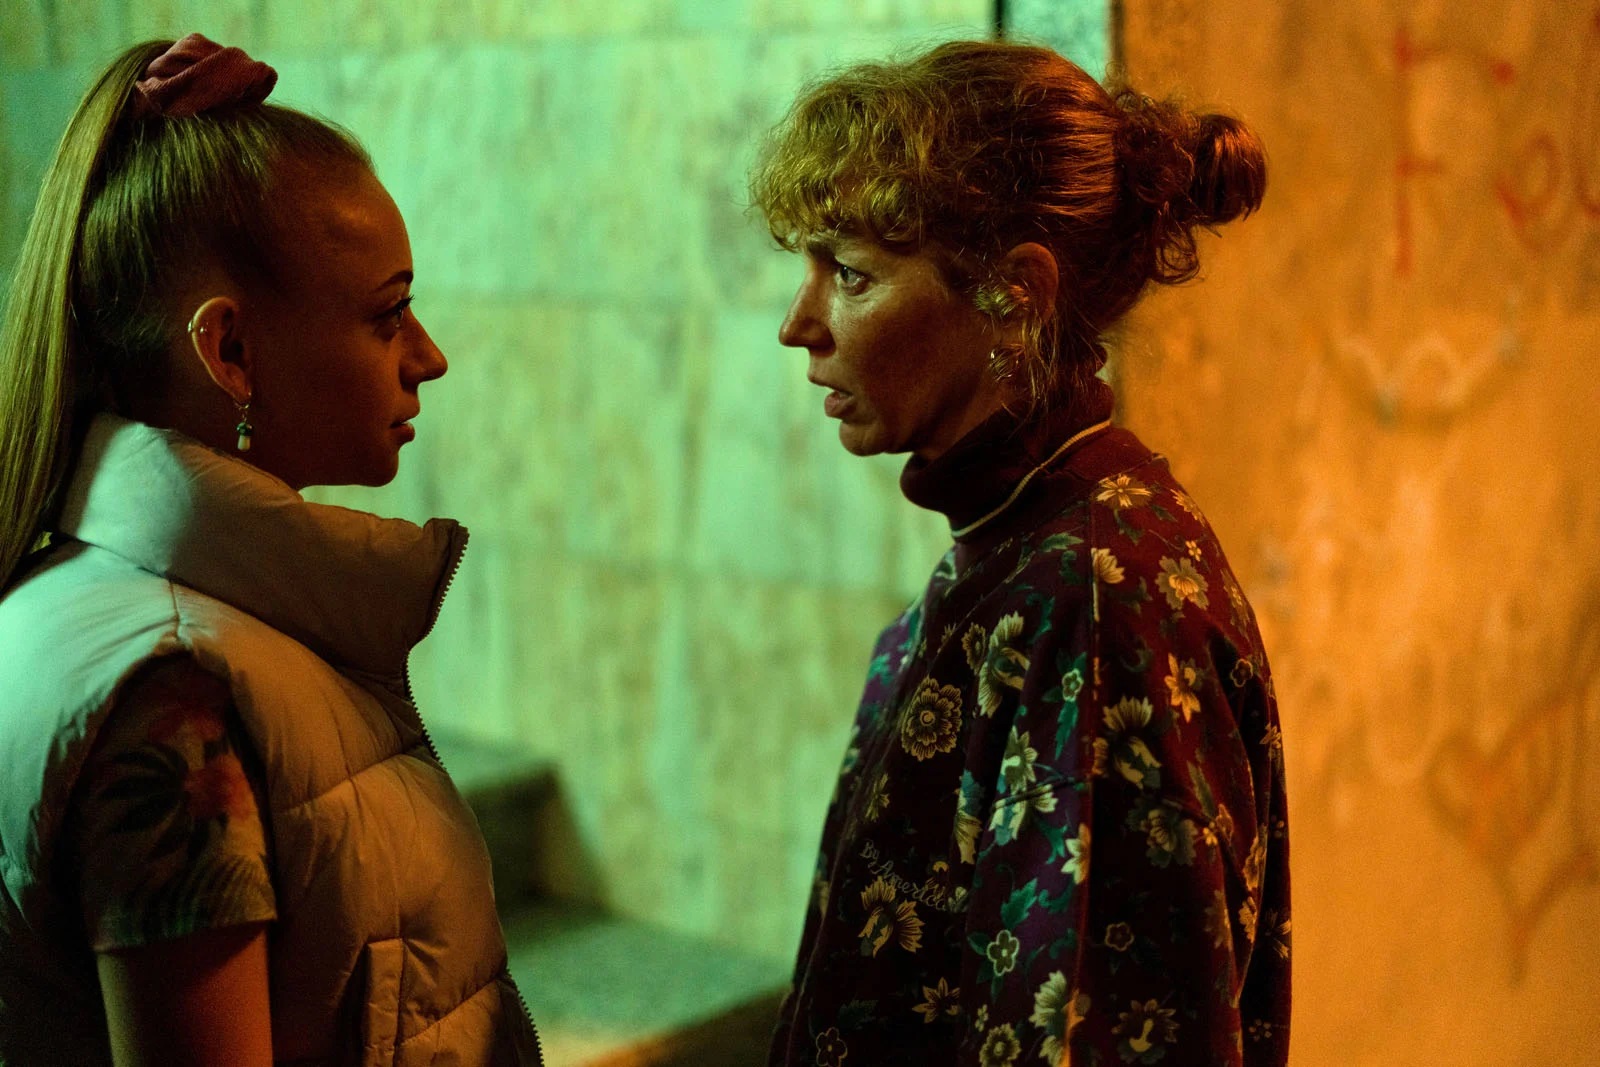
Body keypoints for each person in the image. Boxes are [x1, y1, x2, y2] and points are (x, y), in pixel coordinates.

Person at [0, 36, 543, 1066]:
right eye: (388, 313)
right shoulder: (172, 699)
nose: (428, 357)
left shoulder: (95, 605)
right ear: (231, 351)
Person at [751, 39, 1289, 1066]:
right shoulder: (1019, 535)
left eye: (851, 274)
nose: (798, 324)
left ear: (1015, 294)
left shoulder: (1095, 595)